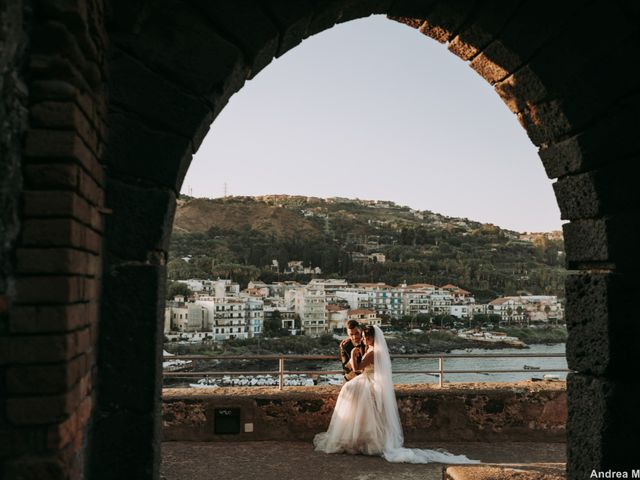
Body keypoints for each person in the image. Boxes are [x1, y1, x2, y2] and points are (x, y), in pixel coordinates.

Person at [314, 325, 480, 465]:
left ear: (372, 338)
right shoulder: (372, 348)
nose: (363, 339)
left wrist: (353, 355)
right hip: (370, 381)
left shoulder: (371, 352)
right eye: (363, 337)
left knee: (353, 397)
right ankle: (366, 441)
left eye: (365, 337)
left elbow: (357, 369)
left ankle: (364, 442)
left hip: (368, 381)